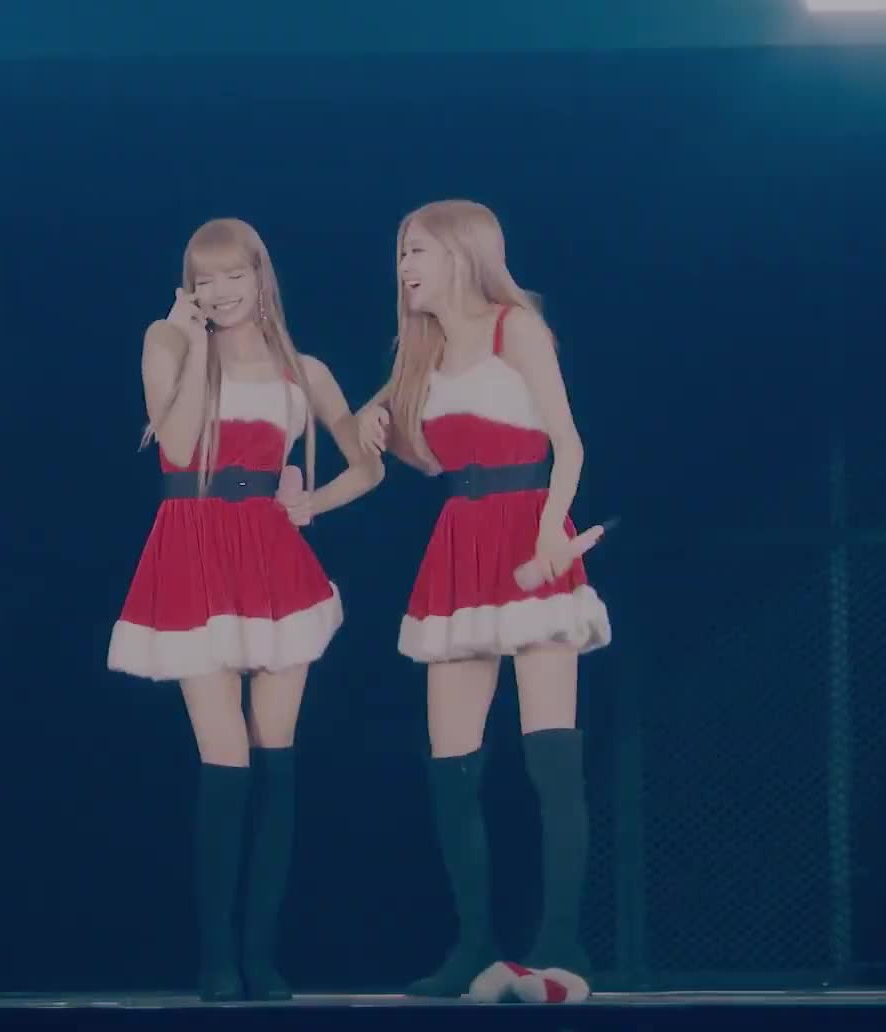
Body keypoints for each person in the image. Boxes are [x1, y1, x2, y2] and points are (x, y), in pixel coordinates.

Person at [108, 218, 383, 1003]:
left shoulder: (305, 369)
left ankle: (261, 955)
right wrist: (193, 341)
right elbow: (179, 441)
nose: (220, 291)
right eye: (205, 277)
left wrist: (311, 505)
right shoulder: (166, 341)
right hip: (192, 551)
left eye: (234, 275)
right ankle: (217, 959)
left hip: (271, 558)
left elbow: (367, 466)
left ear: (262, 276)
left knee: (275, 757)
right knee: (223, 756)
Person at [354, 199, 610, 999]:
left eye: (418, 250)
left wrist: (550, 531)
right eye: (402, 252)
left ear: (464, 253)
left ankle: (561, 947)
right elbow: (431, 460)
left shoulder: (515, 326)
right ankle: (474, 947)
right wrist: (375, 425)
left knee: (550, 756)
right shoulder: (420, 351)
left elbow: (568, 442)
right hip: (460, 546)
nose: (405, 267)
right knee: (451, 763)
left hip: (529, 530)